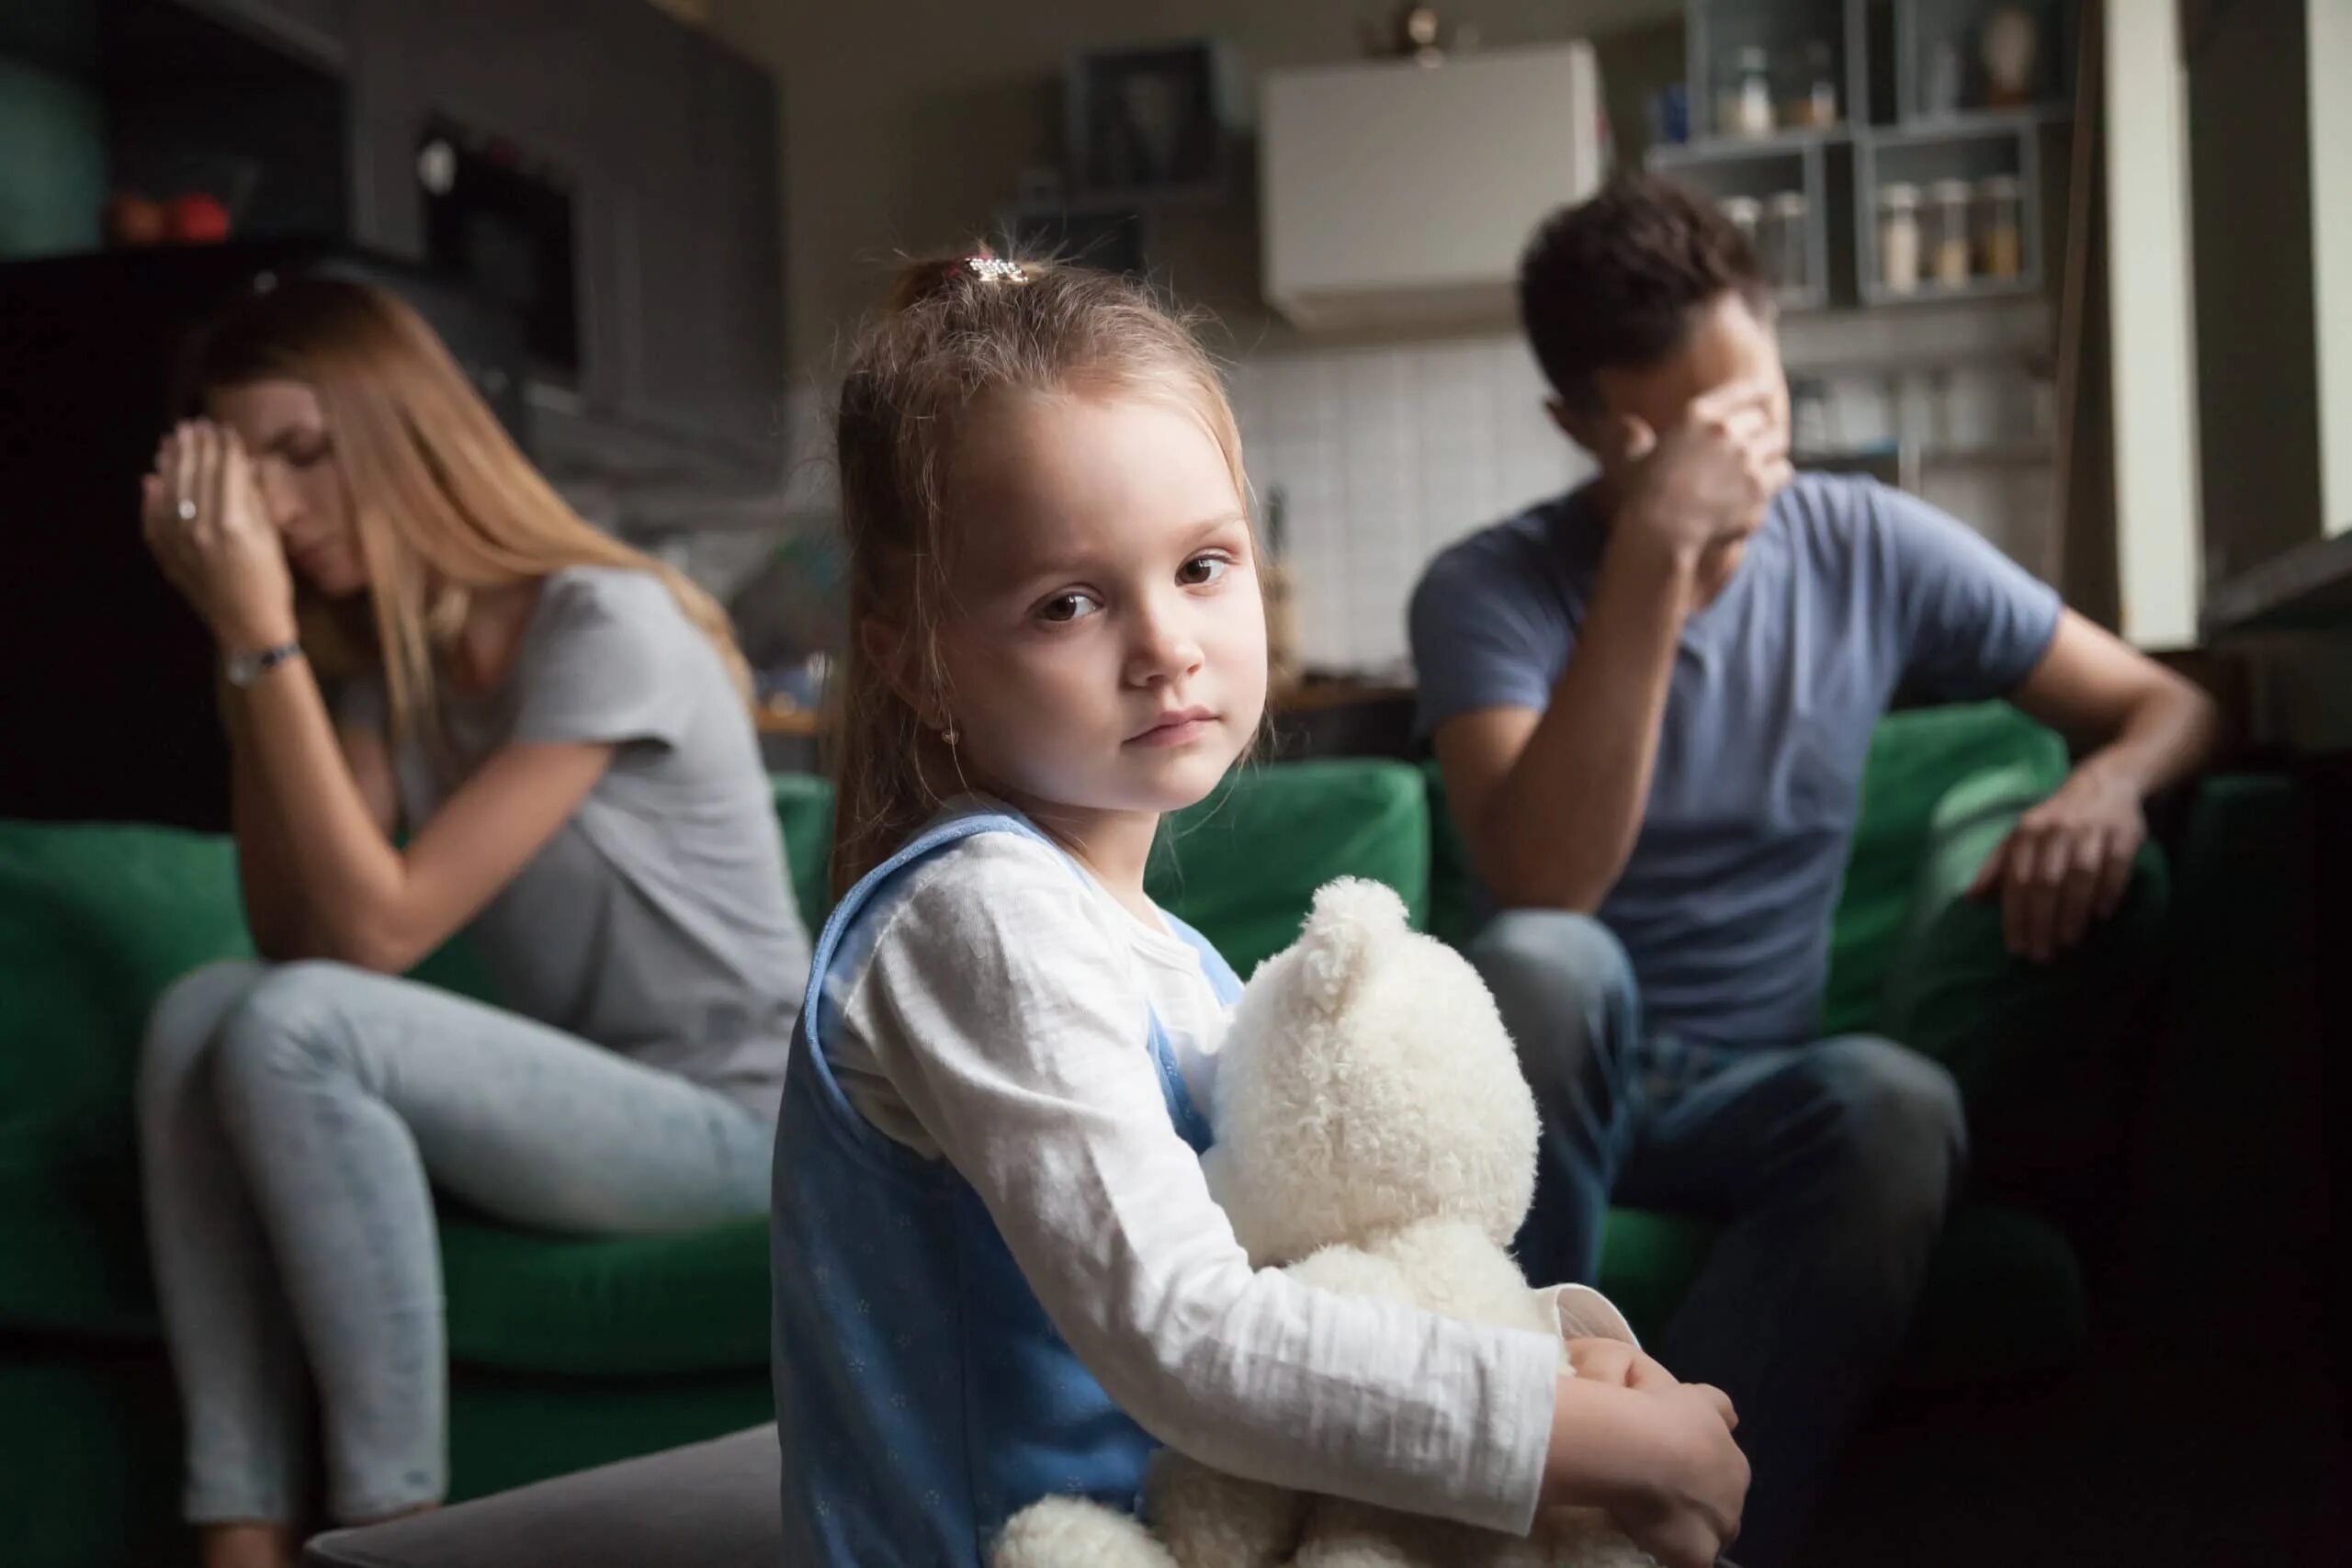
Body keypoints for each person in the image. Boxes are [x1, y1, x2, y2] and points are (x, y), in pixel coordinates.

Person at [767, 254, 1750, 1568]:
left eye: (1203, 565)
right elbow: (1189, 1334)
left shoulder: (1172, 962)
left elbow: (1308, 1277)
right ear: (918, 659)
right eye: (1069, 601)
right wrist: (1594, 1441)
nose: (1165, 642)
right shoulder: (978, 920)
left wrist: (1564, 1357)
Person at [1408, 174, 2222, 1568]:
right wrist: (1656, 552)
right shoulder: (1487, 588)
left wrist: (2106, 780)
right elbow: (1548, 882)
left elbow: (2175, 705)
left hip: (1749, 1083)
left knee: (1896, 1102)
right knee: (1550, 960)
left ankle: (1669, 1544)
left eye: (1759, 418)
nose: (1736, 468)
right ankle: (1512, 1478)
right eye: (1683, 438)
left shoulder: (1867, 548)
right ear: (1581, 428)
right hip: (1554, 1074)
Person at [133, 276, 811, 1568]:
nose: (273, 506)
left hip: (745, 1121)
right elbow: (297, 932)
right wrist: (248, 653)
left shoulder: (604, 621)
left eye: (303, 453)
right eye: (248, 471)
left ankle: (397, 1528)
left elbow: (376, 939)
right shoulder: (407, 678)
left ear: (405, 434)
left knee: (295, 1023)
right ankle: (239, 1526)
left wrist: (260, 633)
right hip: (602, 1105)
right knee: (199, 1012)